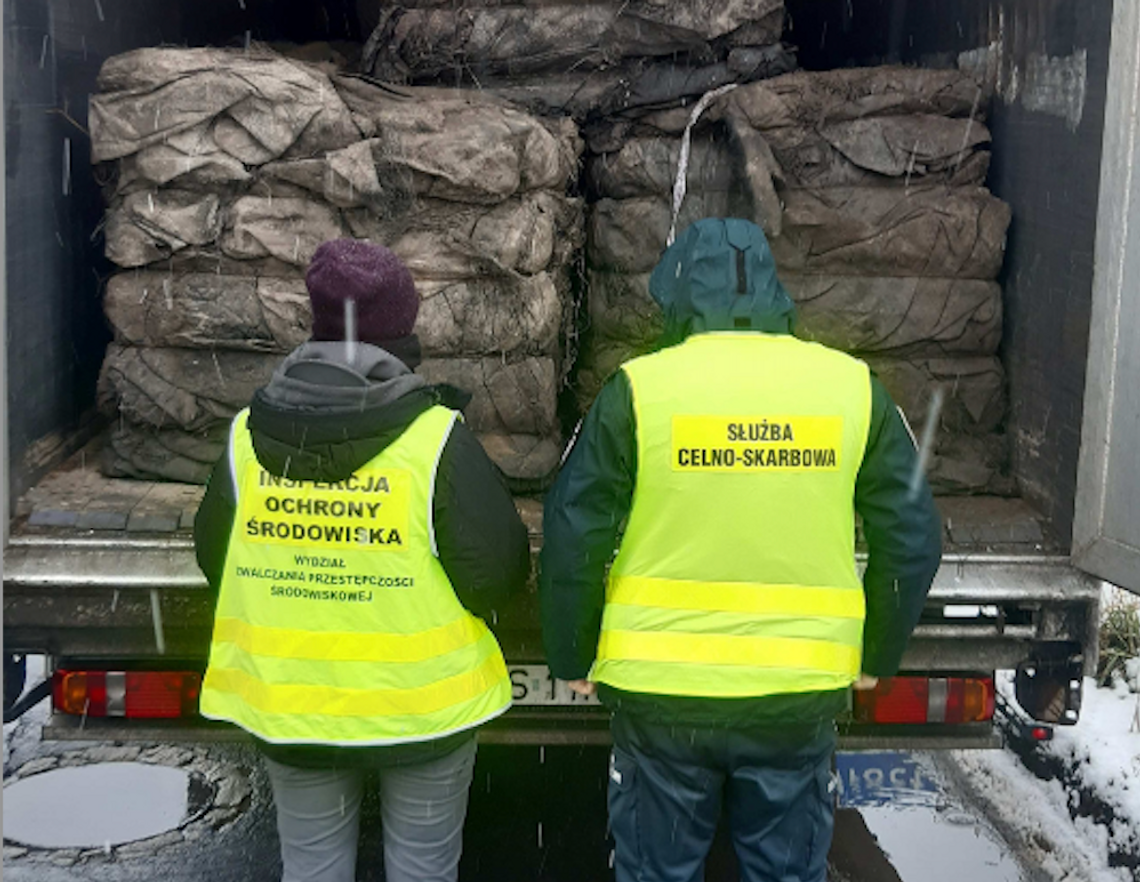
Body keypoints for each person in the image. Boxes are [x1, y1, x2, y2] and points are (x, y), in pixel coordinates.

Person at [539, 218, 942, 882]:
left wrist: (573, 652)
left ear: (676, 295)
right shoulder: (850, 388)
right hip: (796, 697)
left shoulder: (639, 390)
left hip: (661, 698)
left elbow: (572, 531)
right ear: (774, 293)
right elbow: (914, 536)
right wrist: (877, 656)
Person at [194, 238, 529, 882]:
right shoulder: (434, 442)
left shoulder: (244, 437)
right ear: (402, 332)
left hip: (291, 709)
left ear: (316, 325)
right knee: (423, 872)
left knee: (313, 871)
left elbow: (217, 557)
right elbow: (498, 570)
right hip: (423, 714)